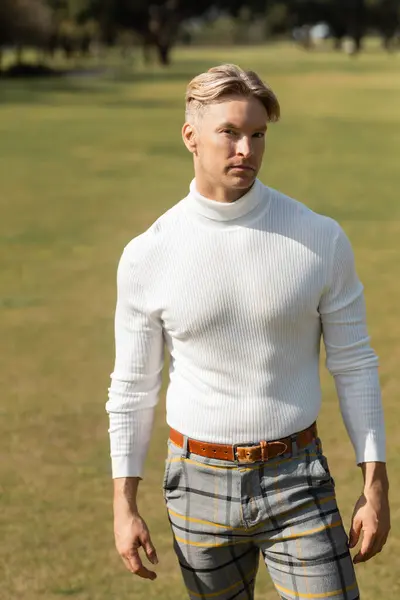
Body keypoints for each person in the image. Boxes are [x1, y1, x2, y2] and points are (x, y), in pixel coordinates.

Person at [106, 64, 390, 600]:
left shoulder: (318, 237)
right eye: (230, 133)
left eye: (257, 134)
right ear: (191, 136)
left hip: (298, 479)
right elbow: (132, 387)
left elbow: (355, 364)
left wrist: (375, 484)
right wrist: (124, 504)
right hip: (194, 485)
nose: (247, 149)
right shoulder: (149, 254)